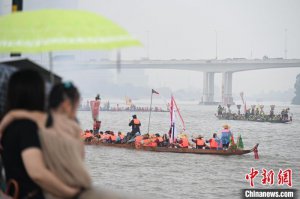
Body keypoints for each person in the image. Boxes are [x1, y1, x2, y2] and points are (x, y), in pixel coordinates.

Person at [0, 70, 80, 199]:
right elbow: (37, 173)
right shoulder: (27, 128)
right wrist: (69, 192)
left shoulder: (9, 126)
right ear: (37, 94)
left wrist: (12, 115)